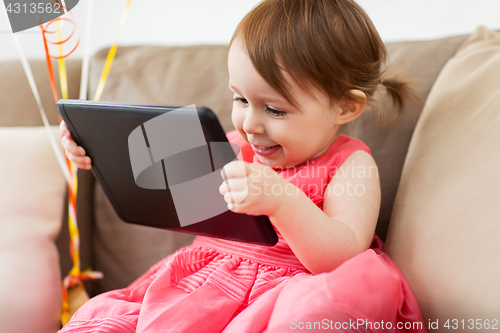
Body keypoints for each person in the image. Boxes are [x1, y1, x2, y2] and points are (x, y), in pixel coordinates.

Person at [59, 0, 426, 332]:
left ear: (345, 107)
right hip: (205, 288)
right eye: (240, 98)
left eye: (275, 109)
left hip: (287, 292)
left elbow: (342, 258)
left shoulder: (350, 163)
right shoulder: (230, 145)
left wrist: (283, 201)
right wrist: (91, 147)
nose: (249, 124)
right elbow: (148, 171)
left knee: (315, 314)